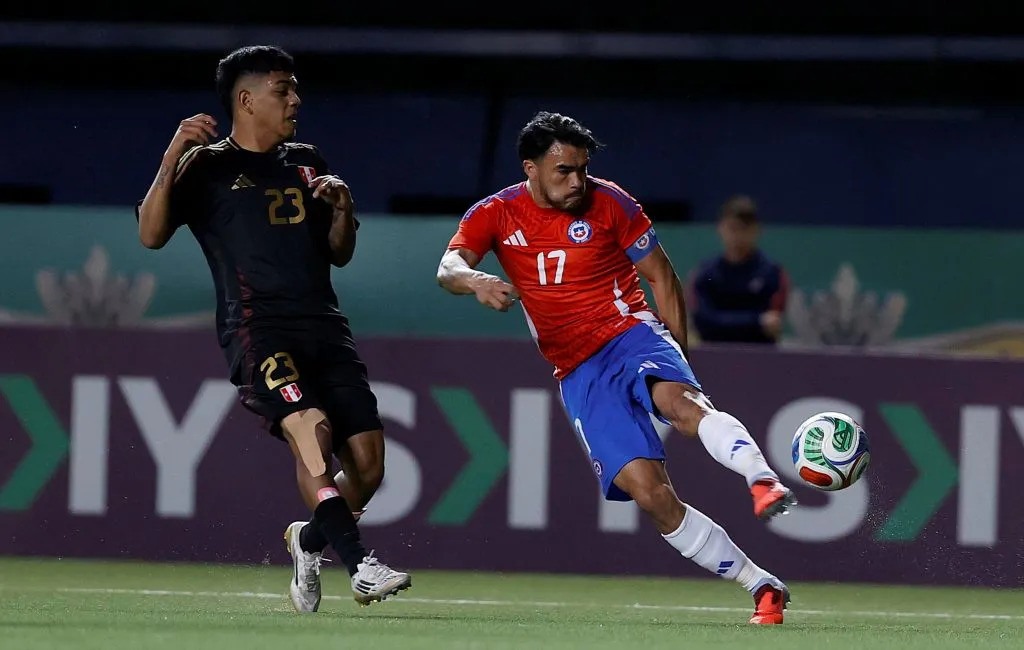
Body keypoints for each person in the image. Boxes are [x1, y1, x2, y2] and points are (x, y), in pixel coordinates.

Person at [436, 111, 797, 625]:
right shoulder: (495, 213)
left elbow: (663, 280)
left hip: (629, 334)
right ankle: (760, 585)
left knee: (681, 404)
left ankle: (763, 480)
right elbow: (447, 268)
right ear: (531, 169)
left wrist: (681, 369)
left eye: (582, 168)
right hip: (577, 372)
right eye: (564, 170)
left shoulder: (612, 203)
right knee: (650, 496)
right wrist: (476, 281)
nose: (577, 181)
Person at [135, 45, 410, 612]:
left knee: (370, 466)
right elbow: (151, 235)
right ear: (246, 99)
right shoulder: (205, 164)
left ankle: (308, 541)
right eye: (283, 89)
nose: (295, 99)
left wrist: (340, 210)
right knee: (310, 429)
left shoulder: (308, 159)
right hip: (258, 328)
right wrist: (170, 157)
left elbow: (340, 254)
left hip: (324, 325)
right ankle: (360, 565)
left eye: (294, 88)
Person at [688, 196, 789, 345]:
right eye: (732, 228)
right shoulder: (705, 273)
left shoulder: (771, 272)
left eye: (744, 228)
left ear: (756, 230)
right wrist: (756, 321)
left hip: (761, 357)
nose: (737, 236)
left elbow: (772, 323)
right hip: (712, 356)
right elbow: (702, 322)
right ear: (720, 228)